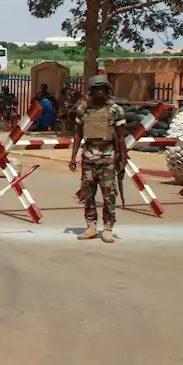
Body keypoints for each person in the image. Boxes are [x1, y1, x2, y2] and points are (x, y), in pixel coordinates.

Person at [68, 75, 127, 243]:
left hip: (107, 159)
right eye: (96, 88)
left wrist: (123, 160)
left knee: (109, 196)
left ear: (108, 90)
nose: (99, 91)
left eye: (103, 88)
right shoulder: (84, 109)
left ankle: (108, 228)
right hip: (88, 159)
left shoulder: (116, 111)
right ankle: (91, 227)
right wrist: (73, 157)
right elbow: (78, 133)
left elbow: (121, 138)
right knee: (88, 195)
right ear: (91, 91)